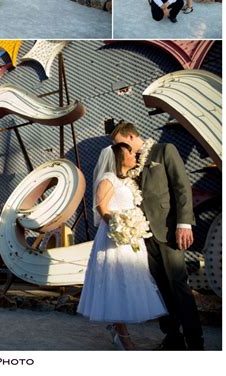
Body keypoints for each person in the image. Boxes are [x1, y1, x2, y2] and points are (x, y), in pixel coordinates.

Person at [111, 121, 204, 350]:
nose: (120, 150)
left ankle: (195, 341)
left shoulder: (164, 151)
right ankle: (172, 338)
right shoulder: (129, 162)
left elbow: (182, 187)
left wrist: (184, 224)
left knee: (178, 285)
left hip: (169, 231)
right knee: (159, 288)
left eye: (121, 144)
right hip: (143, 235)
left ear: (131, 136)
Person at [78, 143, 167, 350]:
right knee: (116, 282)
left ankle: (118, 330)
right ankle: (123, 336)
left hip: (131, 238)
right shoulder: (108, 179)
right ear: (119, 155)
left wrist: (133, 228)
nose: (135, 155)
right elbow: (102, 208)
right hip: (115, 238)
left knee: (130, 281)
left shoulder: (127, 181)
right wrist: (121, 226)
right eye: (130, 152)